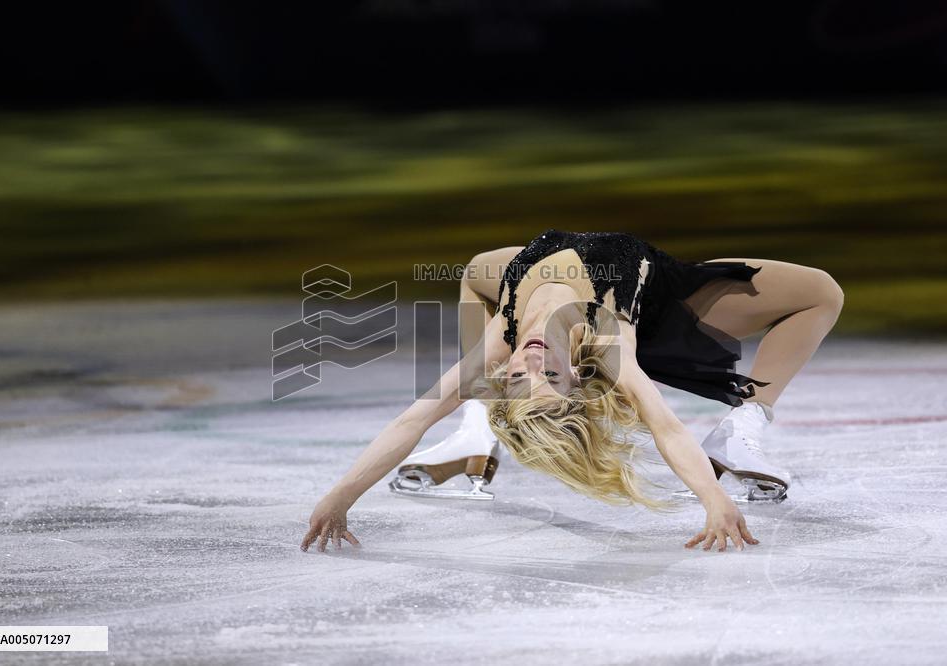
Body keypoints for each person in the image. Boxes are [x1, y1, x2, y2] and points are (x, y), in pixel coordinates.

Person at [300, 229, 844, 553]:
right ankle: (745, 425)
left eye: (518, 377)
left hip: (599, 285)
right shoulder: (607, 341)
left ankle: (476, 424)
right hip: (657, 307)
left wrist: (338, 498)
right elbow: (666, 426)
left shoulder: (497, 348)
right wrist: (713, 499)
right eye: (551, 378)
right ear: (578, 375)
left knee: (474, 270)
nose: (532, 361)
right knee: (822, 292)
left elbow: (410, 421)